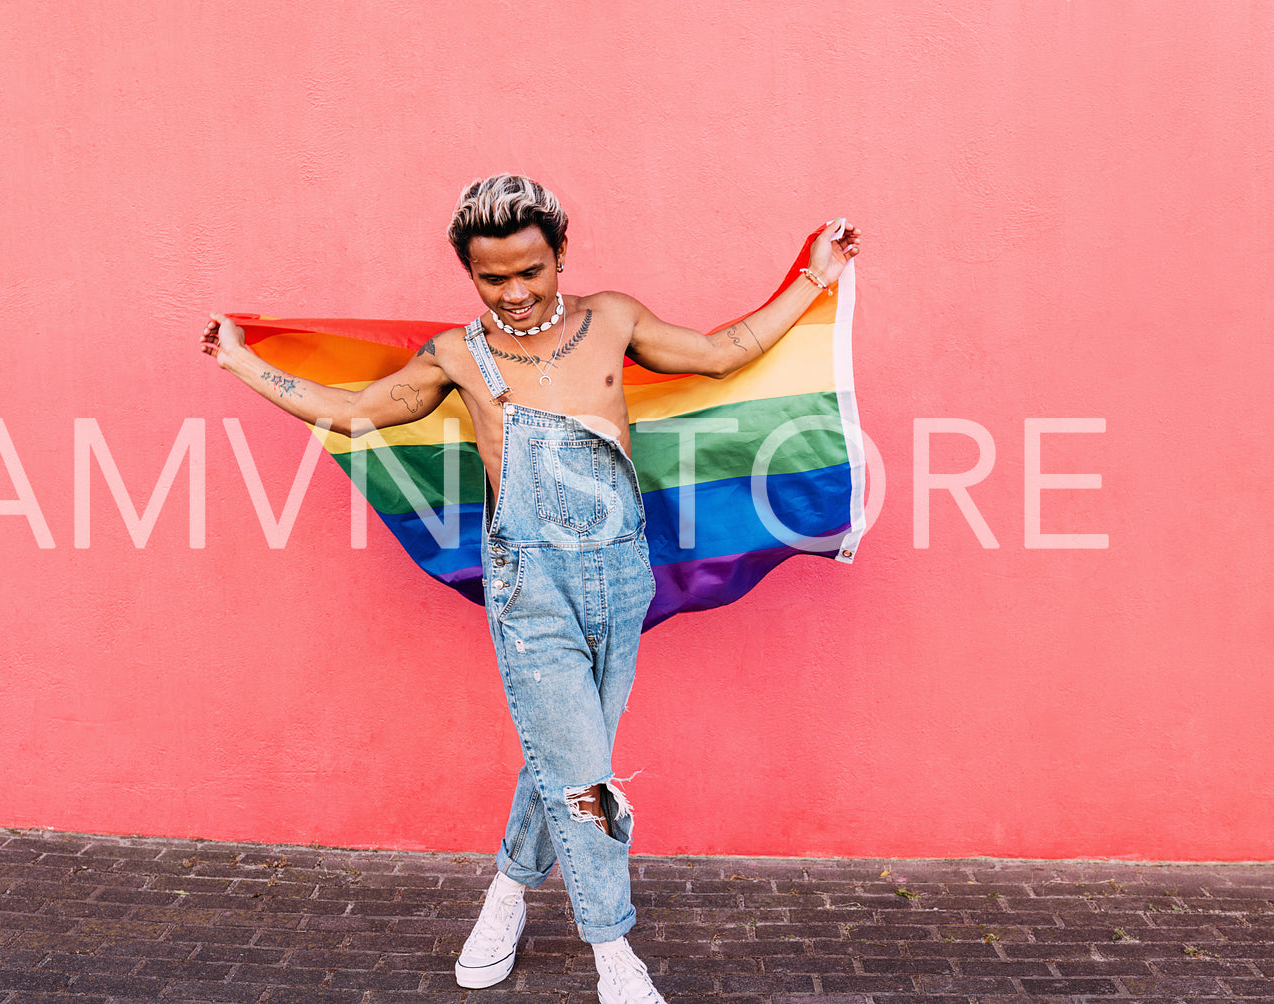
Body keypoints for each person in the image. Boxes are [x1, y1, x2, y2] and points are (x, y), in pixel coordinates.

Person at [200, 174, 860, 1003]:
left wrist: (813, 278)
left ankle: (507, 892)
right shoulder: (455, 356)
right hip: (529, 583)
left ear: (559, 257)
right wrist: (240, 361)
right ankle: (612, 950)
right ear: (468, 273)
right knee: (585, 776)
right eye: (492, 278)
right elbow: (353, 410)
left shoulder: (612, 319)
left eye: (530, 272)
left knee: (561, 759)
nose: (514, 292)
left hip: (621, 572)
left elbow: (721, 351)